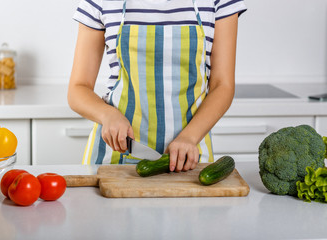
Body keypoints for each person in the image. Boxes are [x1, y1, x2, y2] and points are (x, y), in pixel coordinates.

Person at [68, 0, 247, 172]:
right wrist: (107, 115)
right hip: (113, 158)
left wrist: (189, 137)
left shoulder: (218, 1)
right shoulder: (99, 2)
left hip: (189, 157)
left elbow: (222, 86)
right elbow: (78, 88)